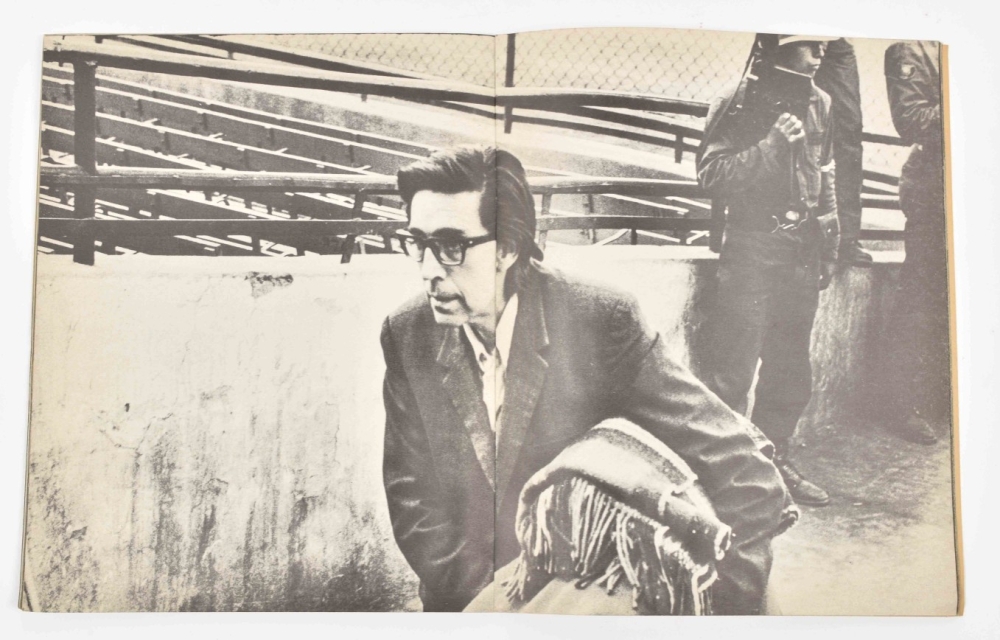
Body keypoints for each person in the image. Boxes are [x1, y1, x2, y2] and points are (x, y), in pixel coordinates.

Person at [380, 145, 791, 614]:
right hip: (468, 598)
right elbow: (413, 500)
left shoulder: (598, 319)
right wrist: (493, 606)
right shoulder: (407, 331)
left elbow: (746, 474)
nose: (429, 270)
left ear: (508, 248)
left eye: (451, 246)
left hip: (584, 593)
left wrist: (721, 608)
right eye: (418, 243)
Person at [697, 34, 841, 507]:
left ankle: (773, 460)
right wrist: (773, 144)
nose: (820, 54)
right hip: (752, 247)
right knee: (733, 370)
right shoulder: (739, 99)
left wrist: (829, 239)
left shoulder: (820, 102)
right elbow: (711, 175)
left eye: (823, 45)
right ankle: (722, 473)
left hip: (801, 250)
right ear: (780, 47)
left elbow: (825, 171)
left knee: (790, 367)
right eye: (809, 45)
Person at [883, 40, 950, 445]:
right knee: (921, 297)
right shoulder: (912, 48)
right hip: (934, 188)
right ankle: (900, 404)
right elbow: (912, 120)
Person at [814, 38, 874, 267]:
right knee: (784, 126)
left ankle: (846, 239)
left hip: (833, 42)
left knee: (849, 131)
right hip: (787, 38)